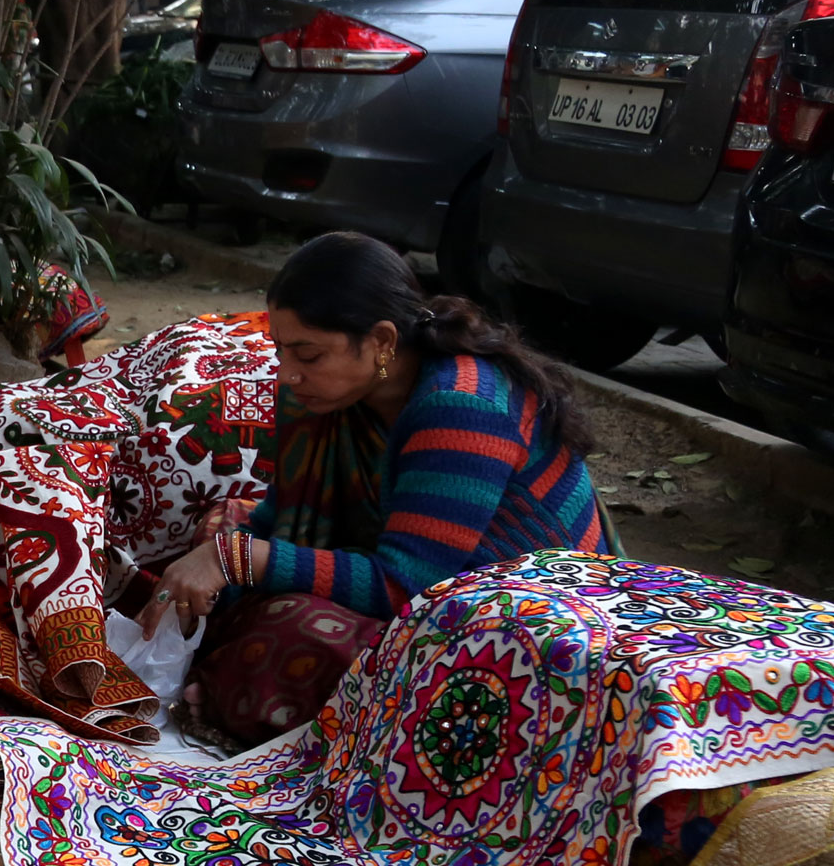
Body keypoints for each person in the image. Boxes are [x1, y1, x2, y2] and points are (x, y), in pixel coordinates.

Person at [140, 232, 615, 741]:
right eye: (281, 351)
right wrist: (211, 573)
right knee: (223, 525)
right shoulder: (331, 403)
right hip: (412, 578)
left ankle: (240, 686)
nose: (287, 376)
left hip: (524, 619)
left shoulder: (461, 404)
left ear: (383, 342)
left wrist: (235, 561)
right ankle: (224, 677)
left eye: (309, 355)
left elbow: (407, 587)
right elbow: (276, 521)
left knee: (294, 633)